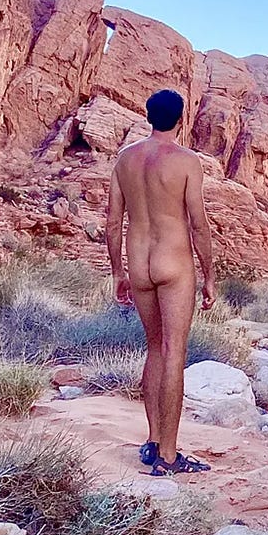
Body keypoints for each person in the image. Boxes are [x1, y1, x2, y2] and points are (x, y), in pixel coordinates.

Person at [106, 88, 216, 476]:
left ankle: (153, 441)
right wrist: (210, 275)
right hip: (174, 264)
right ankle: (168, 456)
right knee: (173, 353)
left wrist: (118, 272)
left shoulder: (125, 159)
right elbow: (198, 225)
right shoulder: (186, 161)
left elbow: (113, 222)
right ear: (181, 119)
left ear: (148, 116)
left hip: (139, 264)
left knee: (154, 347)